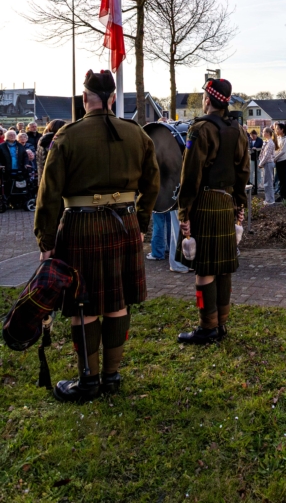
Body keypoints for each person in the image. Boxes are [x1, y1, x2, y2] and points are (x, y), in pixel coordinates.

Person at [34, 69, 159, 402]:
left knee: (82, 303)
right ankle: (111, 377)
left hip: (81, 227)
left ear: (86, 97)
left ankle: (87, 381)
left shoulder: (68, 136)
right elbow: (153, 184)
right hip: (126, 224)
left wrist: (45, 242)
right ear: (113, 99)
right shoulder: (137, 135)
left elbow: (48, 194)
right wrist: (141, 222)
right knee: (117, 301)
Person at [175, 78, 250, 345]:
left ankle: (208, 327)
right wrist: (240, 204)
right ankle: (221, 323)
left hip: (204, 203)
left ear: (208, 99)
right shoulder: (238, 130)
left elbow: (190, 174)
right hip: (227, 201)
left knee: (205, 267)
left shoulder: (201, 129)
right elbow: (243, 171)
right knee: (223, 267)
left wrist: (184, 213)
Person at [0, 129, 30, 193]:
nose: (12, 136)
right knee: (7, 187)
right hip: (6, 170)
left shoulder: (19, 146)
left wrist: (26, 164)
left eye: (14, 135)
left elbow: (25, 156)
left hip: (19, 169)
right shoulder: (2, 146)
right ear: (7, 136)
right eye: (10, 135)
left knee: (18, 187)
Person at [273, 122, 286, 202]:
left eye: (277, 129)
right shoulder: (278, 137)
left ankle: (284, 195)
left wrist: (275, 158)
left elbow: (283, 151)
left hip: (283, 160)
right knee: (280, 178)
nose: (276, 130)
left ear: (282, 130)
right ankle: (282, 194)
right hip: (277, 160)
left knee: (283, 178)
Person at [258, 127, 276, 204]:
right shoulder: (267, 142)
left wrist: (260, 163)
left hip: (268, 163)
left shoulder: (270, 143)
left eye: (264, 132)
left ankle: (270, 200)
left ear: (268, 133)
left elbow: (267, 155)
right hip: (267, 163)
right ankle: (268, 199)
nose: (262, 133)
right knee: (267, 181)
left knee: (268, 182)